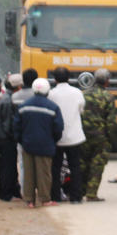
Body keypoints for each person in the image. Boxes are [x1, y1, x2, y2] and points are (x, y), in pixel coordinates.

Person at [14, 78, 63, 208]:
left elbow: (16, 127)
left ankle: (29, 200)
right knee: (44, 174)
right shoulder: (53, 107)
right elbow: (58, 128)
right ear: (47, 90)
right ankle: (45, 199)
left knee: (28, 173)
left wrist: (23, 141)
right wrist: (52, 141)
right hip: (45, 145)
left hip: (28, 144)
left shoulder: (23, 106)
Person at [47, 67, 86, 204]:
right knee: (75, 166)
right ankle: (76, 197)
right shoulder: (77, 92)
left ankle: (55, 196)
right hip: (74, 136)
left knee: (56, 168)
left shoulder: (51, 94)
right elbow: (81, 109)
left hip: (57, 137)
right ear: (69, 78)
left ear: (55, 79)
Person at [81, 69, 117, 202]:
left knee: (83, 164)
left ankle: (80, 191)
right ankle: (91, 194)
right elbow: (111, 122)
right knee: (97, 166)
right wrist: (111, 139)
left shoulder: (84, 94)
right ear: (107, 81)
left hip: (84, 136)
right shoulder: (109, 97)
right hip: (101, 138)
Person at [0, 74, 24, 202]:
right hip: (6, 138)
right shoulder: (8, 101)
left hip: (2, 136)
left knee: (9, 167)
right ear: (17, 87)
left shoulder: (6, 97)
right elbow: (8, 124)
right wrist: (15, 136)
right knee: (8, 167)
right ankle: (6, 194)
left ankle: (10, 191)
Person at [12, 69, 38, 189]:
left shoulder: (15, 96)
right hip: (38, 135)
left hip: (23, 135)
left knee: (23, 164)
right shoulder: (38, 96)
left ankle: (25, 190)